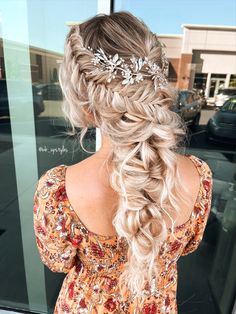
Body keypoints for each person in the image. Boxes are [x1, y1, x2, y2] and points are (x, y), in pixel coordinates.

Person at [33, 11, 213, 314]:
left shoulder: (57, 190)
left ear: (84, 101)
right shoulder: (200, 175)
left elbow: (57, 261)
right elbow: (191, 245)